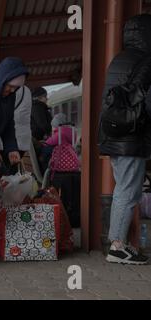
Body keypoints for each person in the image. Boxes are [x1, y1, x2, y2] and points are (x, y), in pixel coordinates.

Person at [98, 14, 151, 265]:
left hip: (114, 133)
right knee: (128, 191)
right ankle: (117, 246)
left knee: (124, 188)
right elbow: (146, 103)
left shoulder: (120, 59)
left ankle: (119, 243)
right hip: (131, 136)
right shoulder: (146, 60)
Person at [0, 86, 32, 174]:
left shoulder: (9, 88)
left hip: (6, 140)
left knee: (3, 173)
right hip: (22, 139)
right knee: (11, 172)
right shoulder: (27, 90)